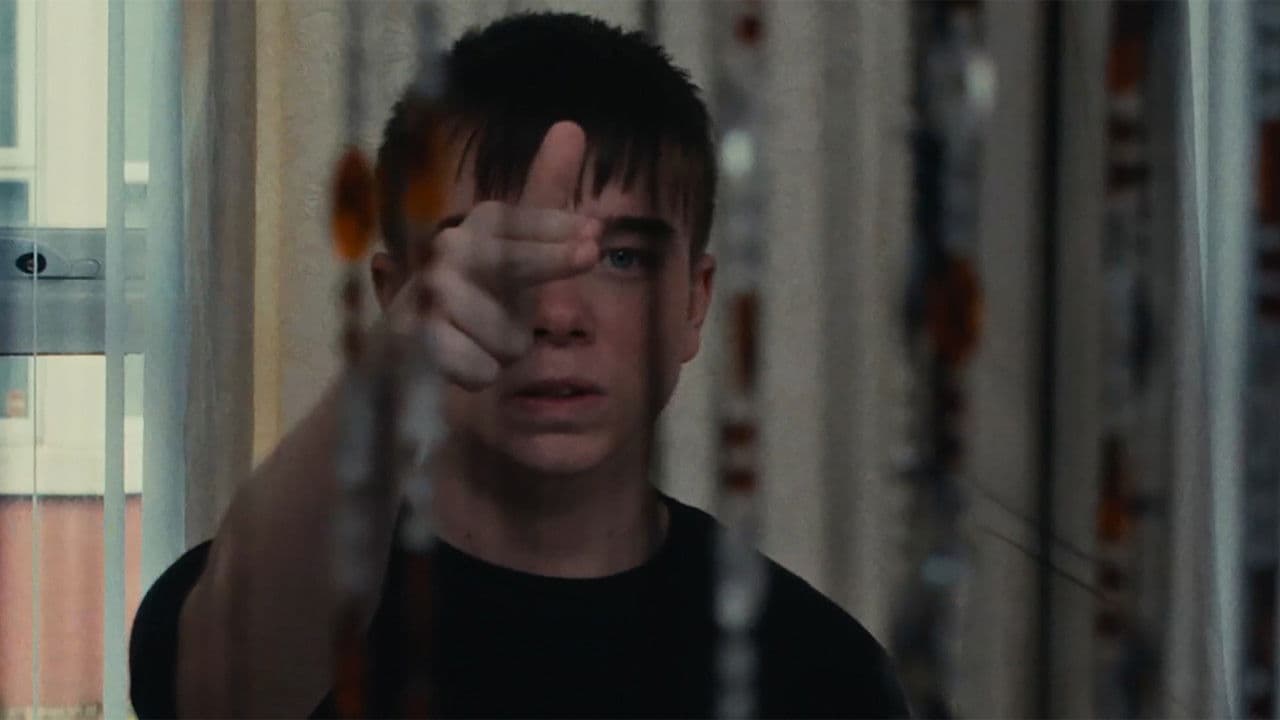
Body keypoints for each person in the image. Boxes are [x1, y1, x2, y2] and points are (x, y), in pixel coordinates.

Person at [128, 12, 909, 719]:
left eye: (622, 258)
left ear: (694, 303)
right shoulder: (272, 597)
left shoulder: (821, 672)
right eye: (491, 257)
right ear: (396, 297)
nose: (556, 314)